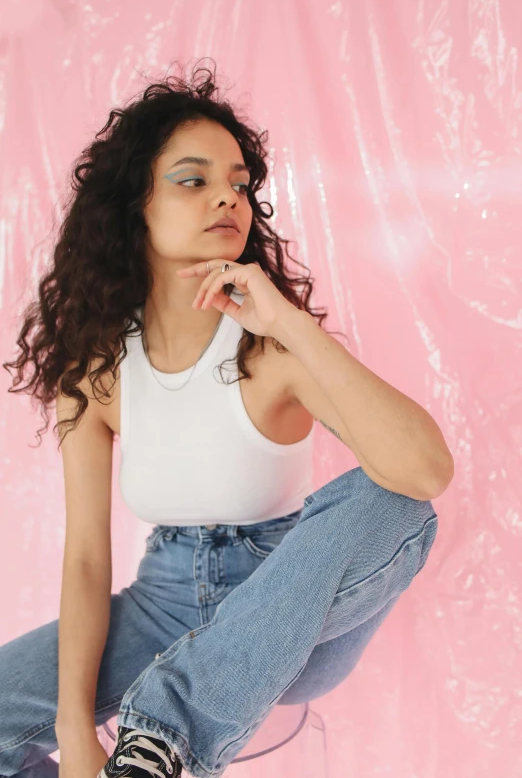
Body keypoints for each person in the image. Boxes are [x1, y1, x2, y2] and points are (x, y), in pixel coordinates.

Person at [0, 60, 452, 778]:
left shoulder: (273, 347)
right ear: (135, 204)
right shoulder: (96, 369)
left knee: (394, 493)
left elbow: (428, 471)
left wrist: (290, 322)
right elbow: (86, 555)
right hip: (158, 602)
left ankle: (159, 742)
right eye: (194, 179)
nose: (228, 199)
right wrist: (71, 726)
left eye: (240, 183)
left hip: (288, 609)